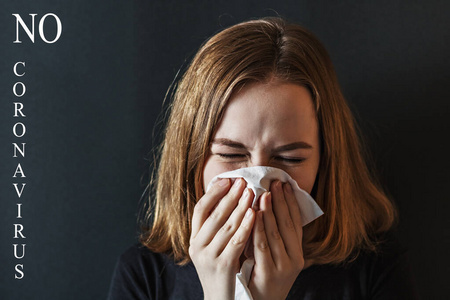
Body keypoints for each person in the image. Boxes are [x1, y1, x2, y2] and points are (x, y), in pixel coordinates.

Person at [108, 17, 419, 299]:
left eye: (290, 158)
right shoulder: (144, 276)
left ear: (325, 160)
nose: (258, 186)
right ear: (193, 157)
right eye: (231, 154)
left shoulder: (373, 269)